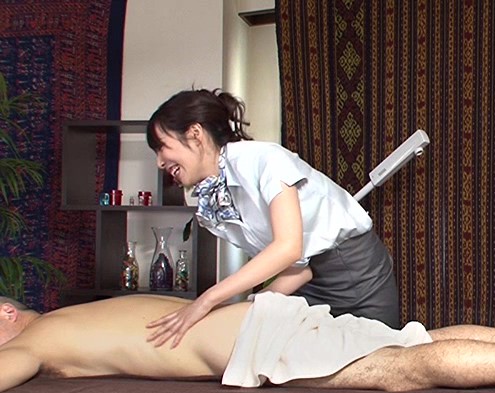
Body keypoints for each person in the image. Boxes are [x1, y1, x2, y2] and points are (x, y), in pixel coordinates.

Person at [0, 294, 495, 393]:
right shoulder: (70, 315)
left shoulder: (42, 334)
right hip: (265, 317)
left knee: (402, 370)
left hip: (256, 341)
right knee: (413, 338)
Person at [144, 88, 400, 348]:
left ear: (195, 134)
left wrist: (206, 300)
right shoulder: (215, 203)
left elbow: (288, 248)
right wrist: (243, 311)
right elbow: (299, 270)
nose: (159, 163)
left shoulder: (264, 160)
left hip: (359, 278)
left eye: (161, 147)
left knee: (376, 362)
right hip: (308, 284)